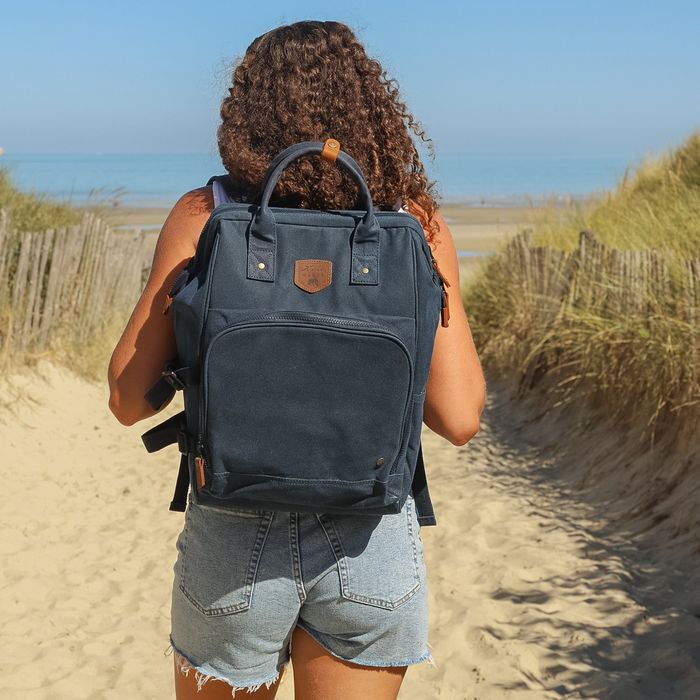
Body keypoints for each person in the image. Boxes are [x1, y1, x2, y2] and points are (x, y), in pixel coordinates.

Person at [107, 19, 486, 700]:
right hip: (370, 536)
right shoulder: (415, 226)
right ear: (373, 108)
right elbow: (459, 419)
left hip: (233, 535)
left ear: (246, 111)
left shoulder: (206, 214)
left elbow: (126, 400)